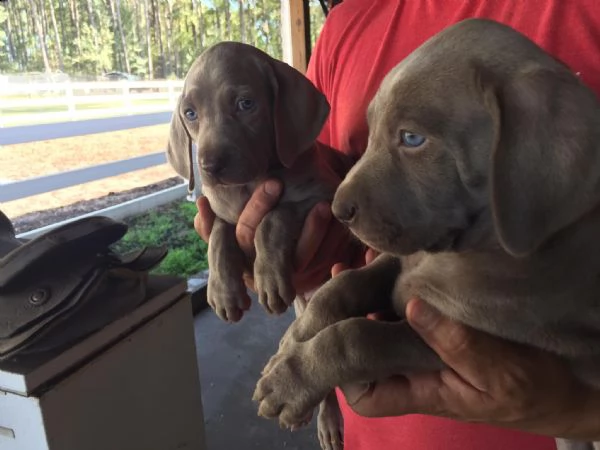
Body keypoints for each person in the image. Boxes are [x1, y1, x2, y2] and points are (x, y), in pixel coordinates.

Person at [195, 1, 600, 449]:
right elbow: (338, 207)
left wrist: (577, 411)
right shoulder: (346, 26)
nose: (351, 186)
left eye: (411, 139)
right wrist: (301, 262)